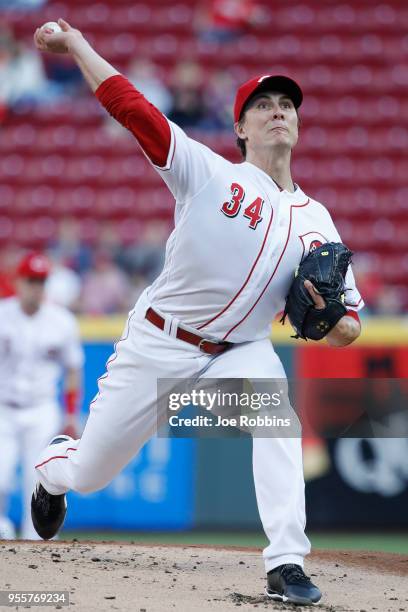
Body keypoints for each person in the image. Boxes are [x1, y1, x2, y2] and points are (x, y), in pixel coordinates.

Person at [32, 20, 363, 605]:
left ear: (300, 123)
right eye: (263, 105)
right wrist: (77, 44)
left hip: (239, 353)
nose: (278, 112)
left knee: (275, 415)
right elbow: (133, 108)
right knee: (89, 474)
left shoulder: (320, 223)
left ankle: (286, 561)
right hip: (160, 342)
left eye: (287, 104)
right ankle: (51, 467)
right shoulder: (209, 175)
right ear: (240, 127)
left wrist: (332, 321)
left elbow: (350, 327)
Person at [0, 252, 84, 539]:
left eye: (41, 281)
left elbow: (73, 369)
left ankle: (38, 551)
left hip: (41, 409)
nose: (36, 286)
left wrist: (71, 413)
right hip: (3, 408)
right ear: (19, 281)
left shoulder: (61, 321)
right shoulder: (2, 313)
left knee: (38, 482)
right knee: (1, 478)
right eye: (31, 280)